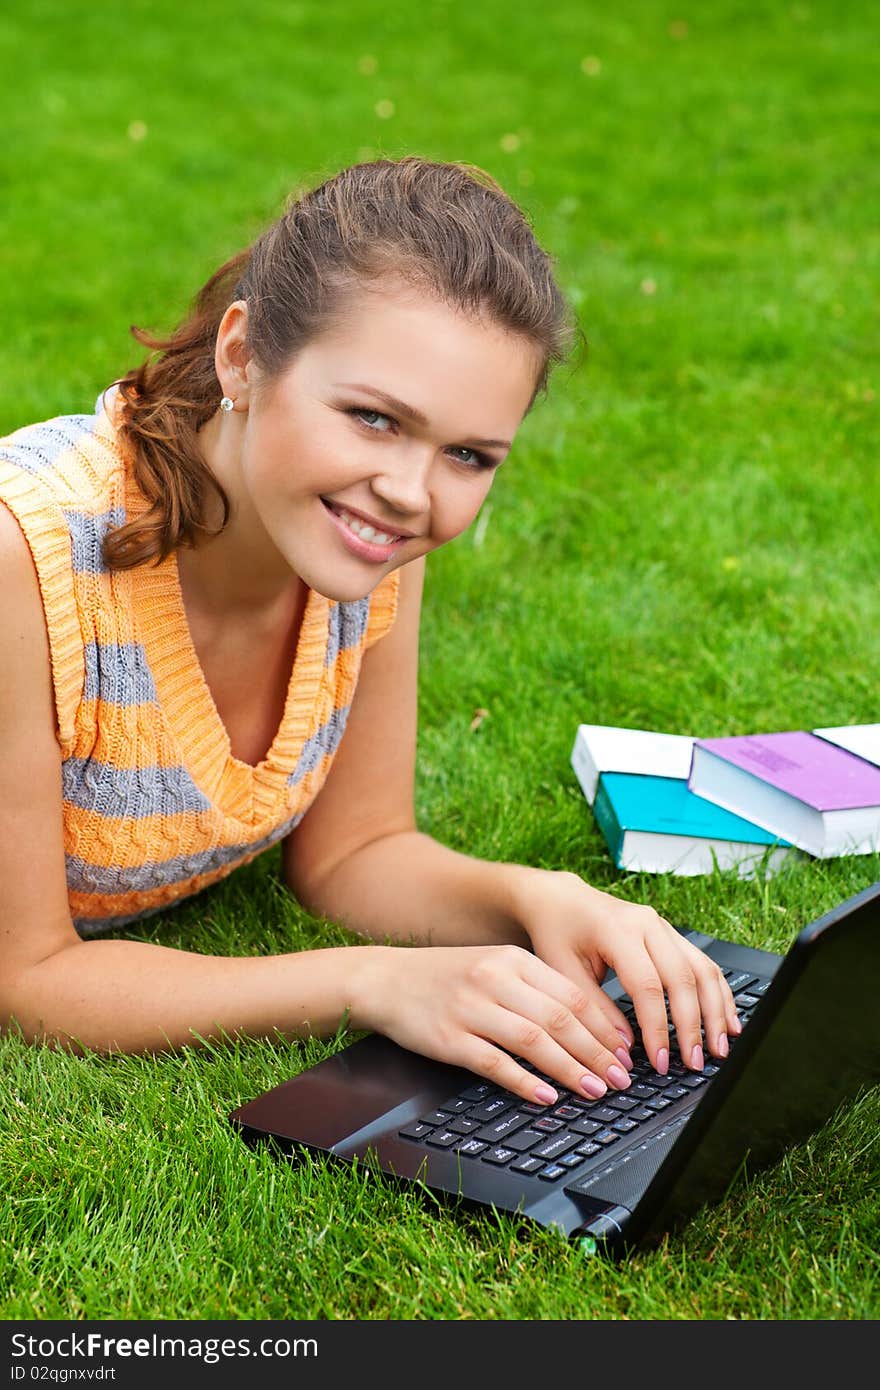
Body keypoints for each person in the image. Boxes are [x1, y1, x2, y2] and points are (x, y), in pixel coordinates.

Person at [0, 156, 740, 1109]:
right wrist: (370, 981)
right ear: (242, 357)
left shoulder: (365, 538)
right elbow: (31, 977)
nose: (411, 492)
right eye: (374, 419)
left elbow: (356, 852)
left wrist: (535, 899)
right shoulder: (27, 558)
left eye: (468, 455)